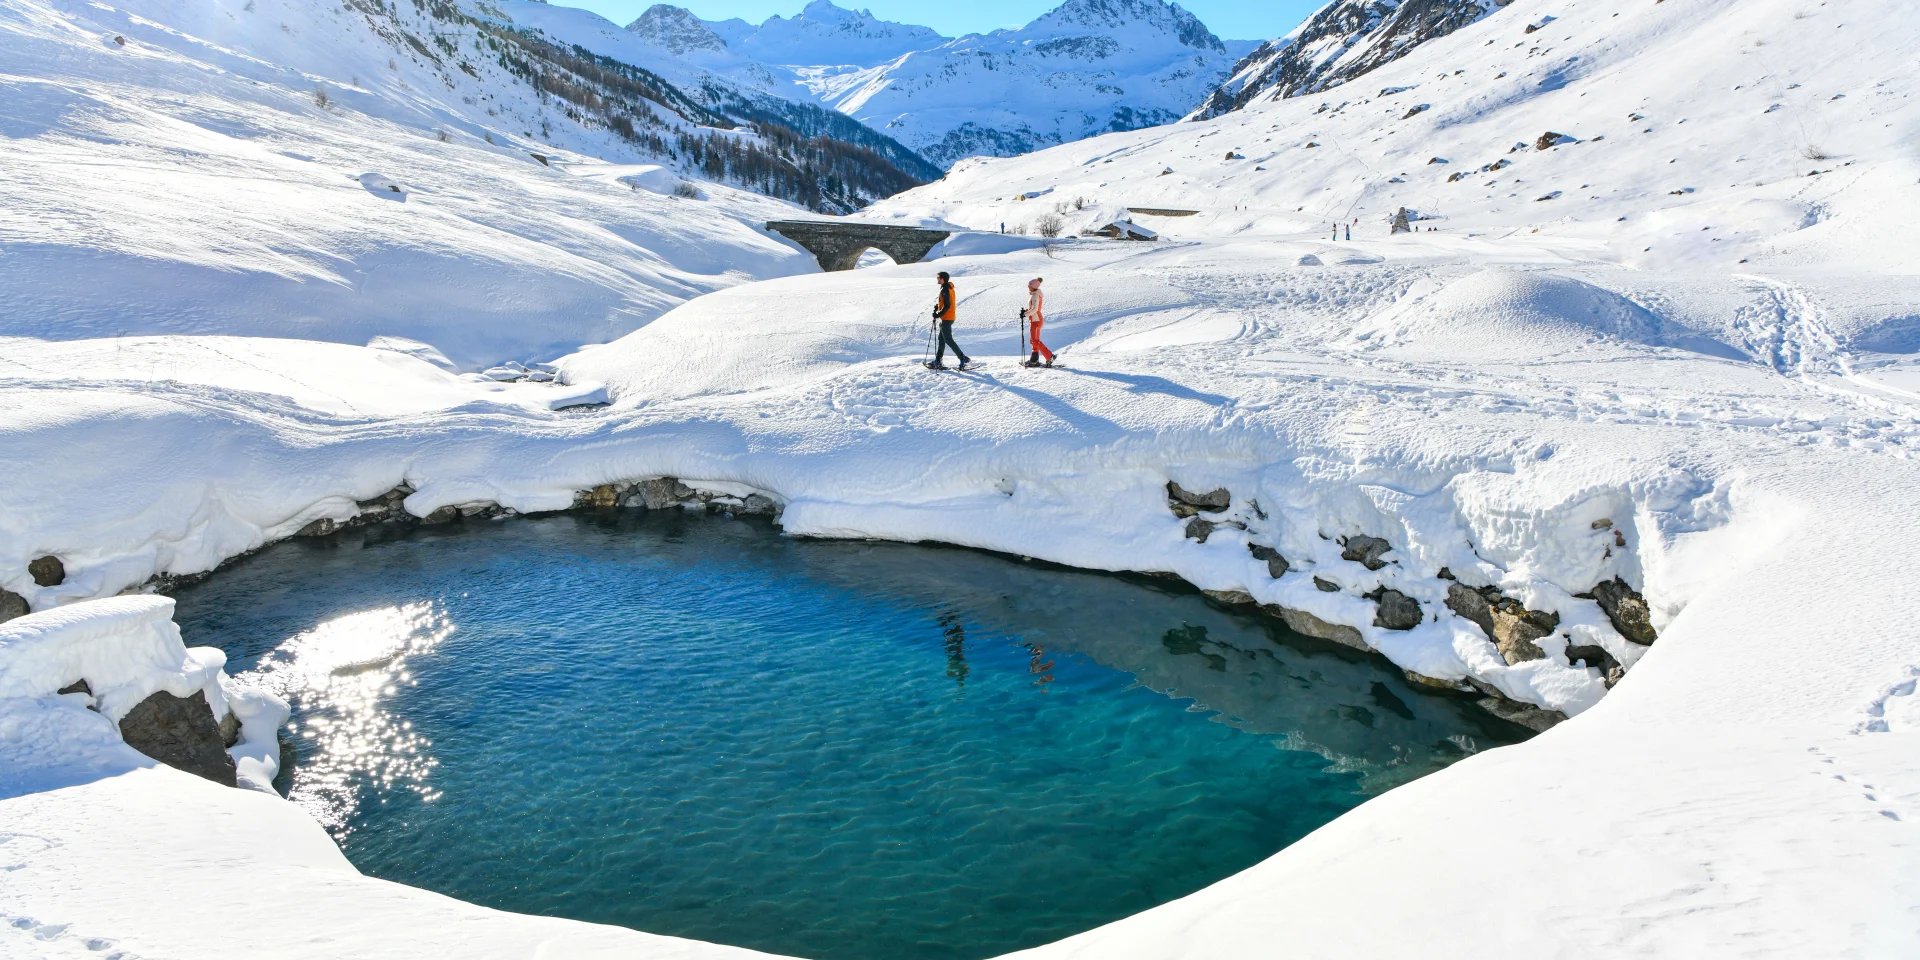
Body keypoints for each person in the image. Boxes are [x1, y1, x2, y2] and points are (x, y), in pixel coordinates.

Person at [929, 271, 970, 370]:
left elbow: (947, 306)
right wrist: (938, 307)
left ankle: (962, 358)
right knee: (942, 340)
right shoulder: (949, 288)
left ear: (942, 279)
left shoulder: (945, 289)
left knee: (948, 339)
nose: (937, 279)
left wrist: (938, 314)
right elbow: (946, 303)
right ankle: (938, 360)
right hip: (949, 317)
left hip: (946, 318)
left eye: (938, 277)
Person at [1021, 277, 1053, 368]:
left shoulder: (1035, 295)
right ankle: (1034, 360)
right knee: (1034, 341)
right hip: (1034, 320)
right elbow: (1032, 308)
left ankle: (1050, 356)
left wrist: (1025, 314)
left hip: (1036, 320)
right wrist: (1025, 312)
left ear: (1033, 287)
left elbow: (1035, 309)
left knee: (1035, 341)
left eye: (1029, 285)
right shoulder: (1034, 294)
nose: (1028, 287)